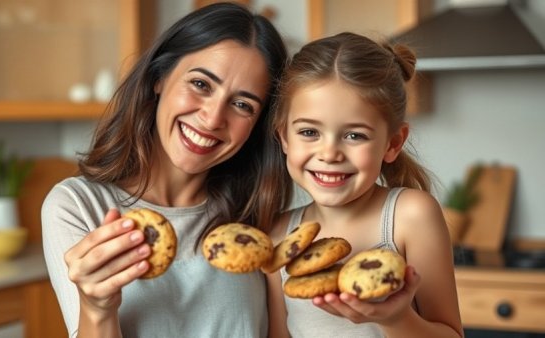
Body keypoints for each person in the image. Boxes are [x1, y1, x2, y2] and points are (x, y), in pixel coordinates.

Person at [41, 3, 287, 337]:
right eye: (201, 84)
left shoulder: (258, 212)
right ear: (160, 78)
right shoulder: (77, 205)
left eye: (243, 104)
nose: (213, 118)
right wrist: (97, 309)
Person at [264, 32, 464, 337]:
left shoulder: (410, 216)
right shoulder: (279, 236)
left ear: (393, 143)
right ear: (283, 137)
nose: (329, 153)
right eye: (309, 132)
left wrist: (396, 319)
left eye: (354, 135)